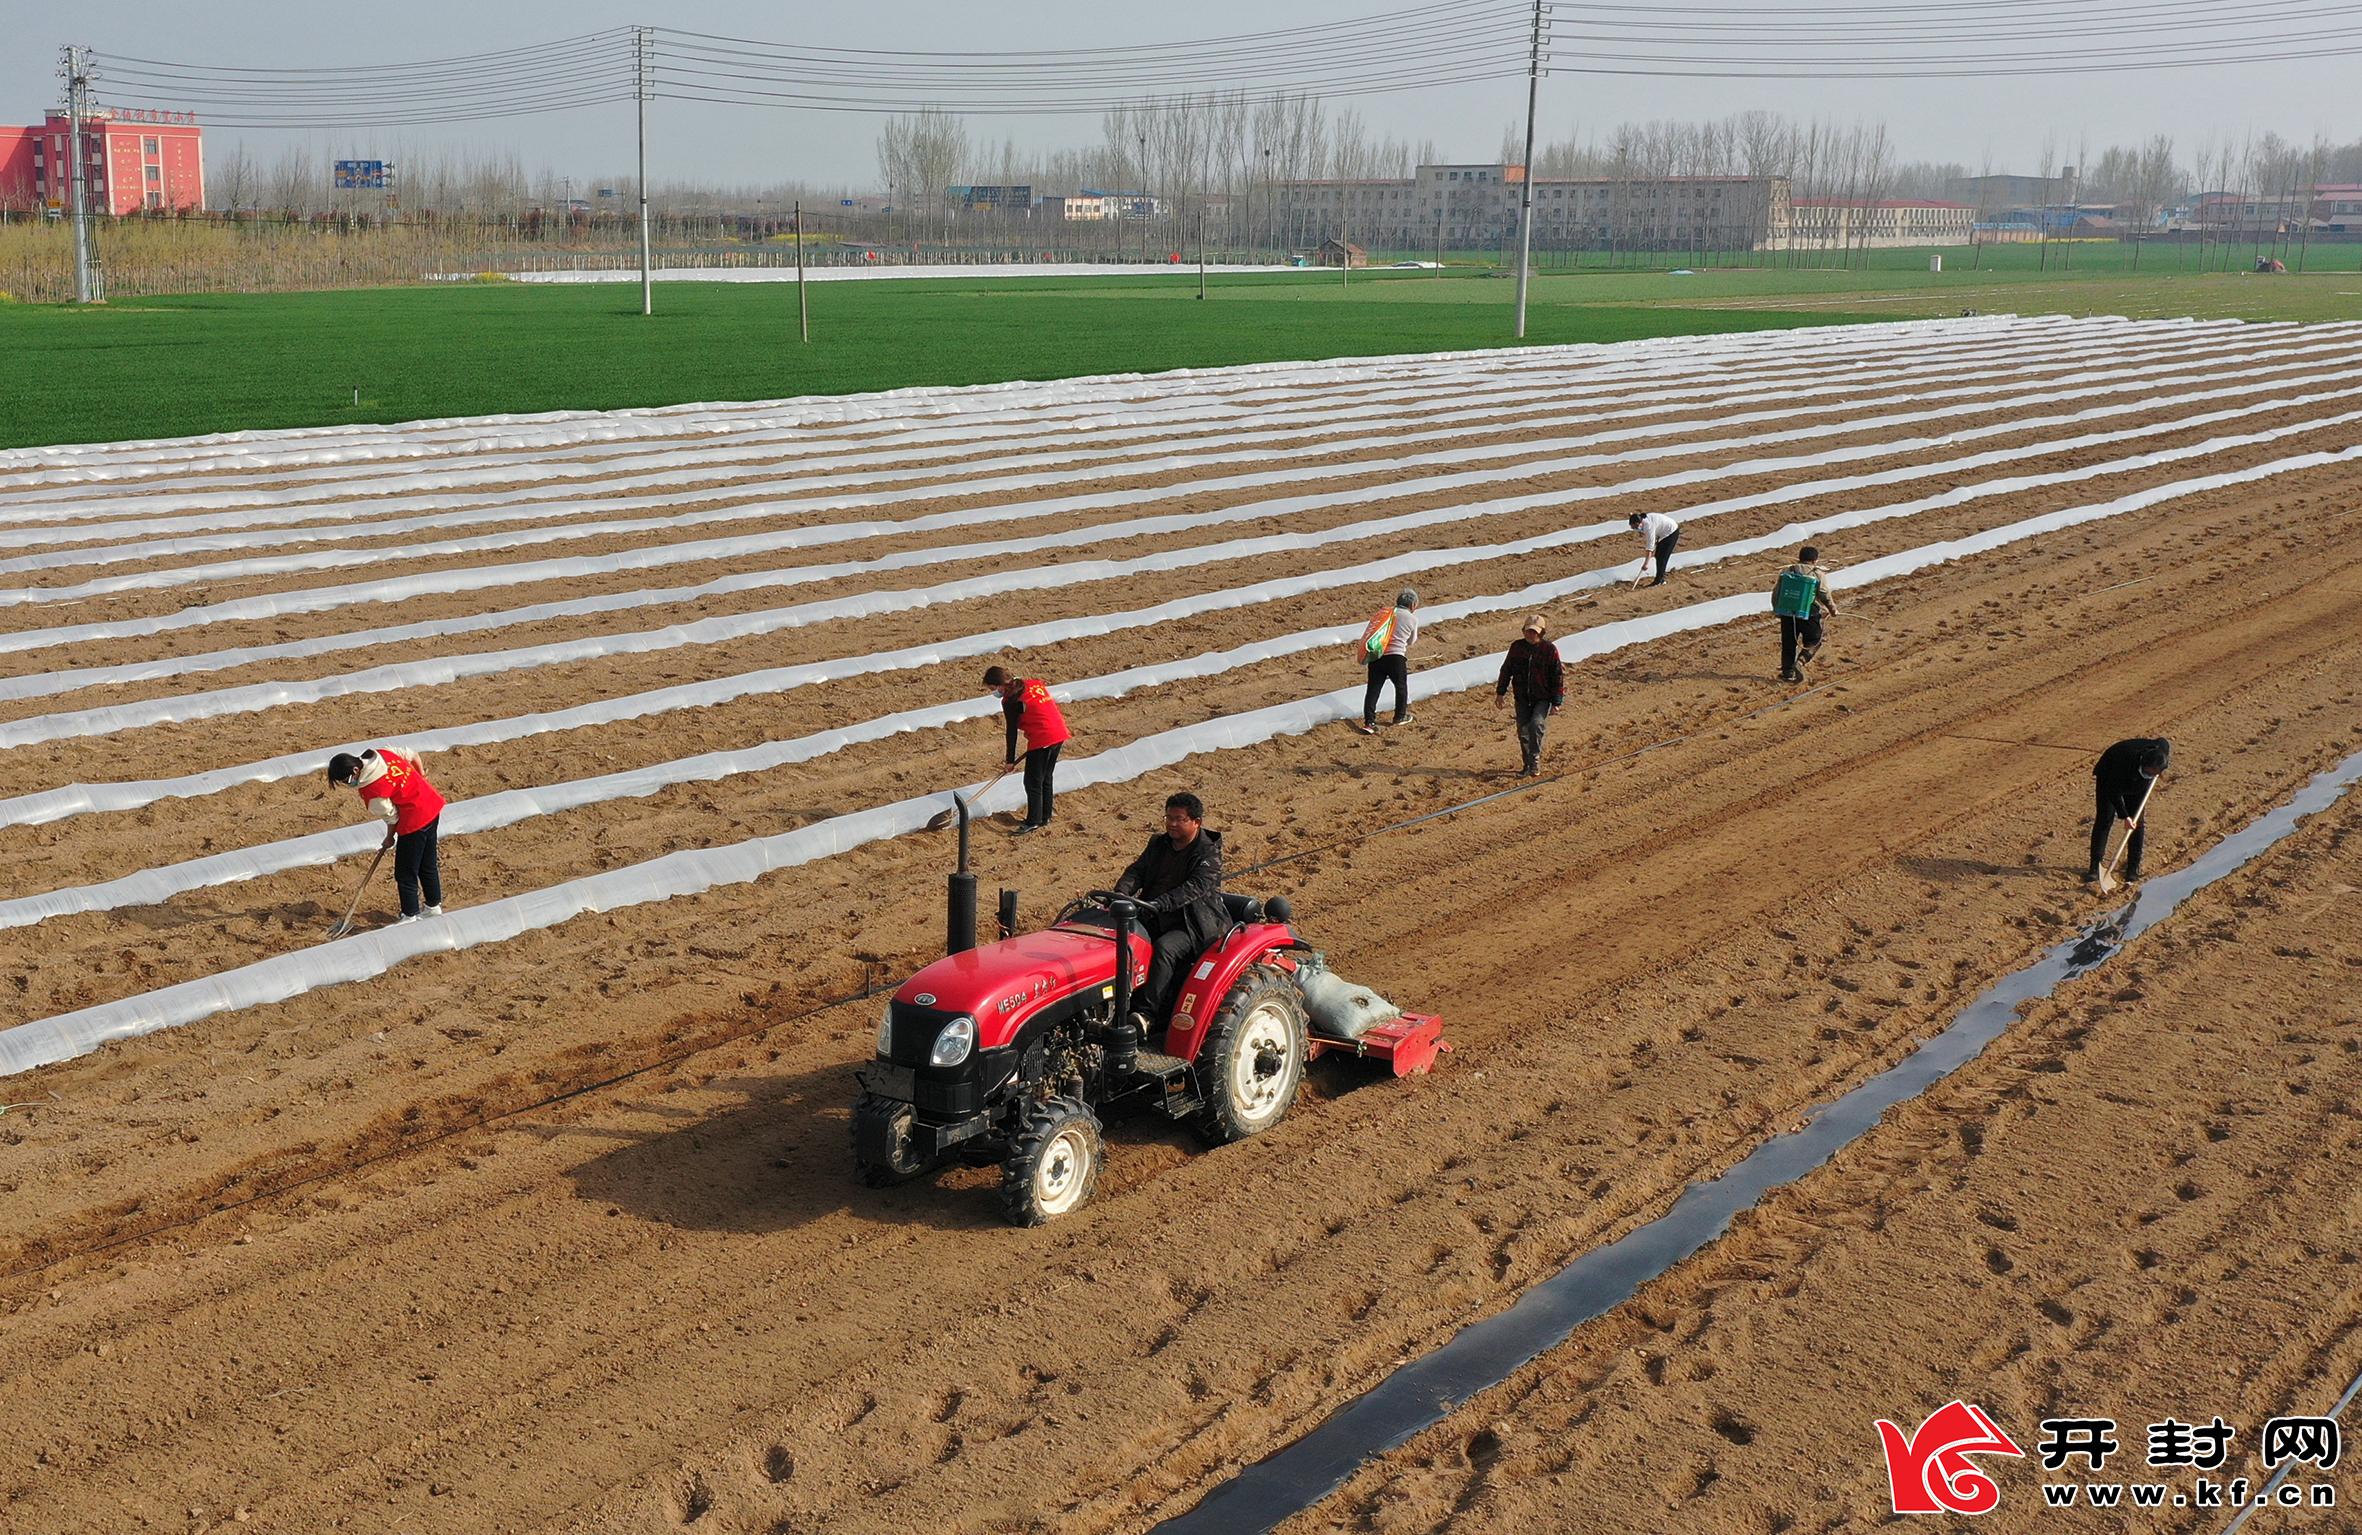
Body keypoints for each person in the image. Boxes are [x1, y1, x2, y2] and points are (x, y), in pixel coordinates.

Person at [1110, 792, 1228, 1031]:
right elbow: (1137, 871)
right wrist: (1122, 893)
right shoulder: (1158, 843)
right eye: (1169, 817)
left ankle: (1146, 1014)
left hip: (1192, 923)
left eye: (1179, 819)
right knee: (1121, 940)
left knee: (1164, 948)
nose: (1172, 824)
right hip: (1152, 913)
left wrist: (1160, 903)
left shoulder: (1208, 854)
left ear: (1197, 822)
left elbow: (1194, 888)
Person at [326, 746, 446, 924]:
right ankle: (433, 907)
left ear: (356, 769)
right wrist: (421, 775)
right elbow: (412, 754)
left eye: (346, 780)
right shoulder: (383, 754)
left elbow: (392, 817)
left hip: (415, 821)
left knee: (405, 872)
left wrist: (389, 838)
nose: (348, 784)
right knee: (426, 862)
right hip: (431, 805)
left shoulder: (372, 791)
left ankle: (410, 914)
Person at [982, 665, 1070, 835]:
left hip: (1043, 736)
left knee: (1032, 782)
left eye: (993, 688)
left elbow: (1011, 732)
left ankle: (1033, 821)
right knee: (1045, 777)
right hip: (1059, 732)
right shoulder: (1033, 684)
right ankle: (1045, 816)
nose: (994, 692)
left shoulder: (1010, 701)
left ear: (1001, 685)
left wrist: (1009, 761)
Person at [2088, 737, 2170, 885]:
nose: (2151, 774)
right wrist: (2125, 816)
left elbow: (2163, 741)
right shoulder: (2123, 763)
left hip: (2138, 786)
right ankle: (2095, 866)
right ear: (2143, 764)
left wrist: (2131, 818)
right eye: (2148, 771)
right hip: (2109, 776)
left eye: (2154, 773)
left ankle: (2133, 867)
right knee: (2105, 819)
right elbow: (2113, 792)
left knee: (2137, 822)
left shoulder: (2160, 752)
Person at [1494, 613, 1565, 777]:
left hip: (1542, 697)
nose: (1530, 634)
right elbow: (1506, 670)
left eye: (1534, 631)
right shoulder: (1517, 648)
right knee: (1523, 730)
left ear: (1541, 632)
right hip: (1522, 698)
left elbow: (1557, 676)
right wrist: (1500, 693)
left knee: (1536, 724)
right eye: (1528, 631)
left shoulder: (1549, 650)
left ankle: (1535, 759)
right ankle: (1527, 764)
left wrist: (1556, 702)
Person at [1771, 544, 1841, 683]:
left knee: (1789, 643)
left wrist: (1778, 610)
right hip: (1809, 613)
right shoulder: (1817, 573)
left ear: (1800, 558)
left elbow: (1776, 593)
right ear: (1815, 560)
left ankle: (1788, 673)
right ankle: (1801, 662)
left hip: (1788, 613)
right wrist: (1832, 609)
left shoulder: (1788, 570)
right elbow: (1824, 594)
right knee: (1815, 640)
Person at [1358, 588, 1421, 735]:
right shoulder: (1412, 619)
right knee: (1400, 687)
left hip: (1377, 656)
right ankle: (1399, 716)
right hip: (1396, 658)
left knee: (1373, 689)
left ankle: (1369, 722)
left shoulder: (1384, 614)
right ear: (1413, 605)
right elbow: (1412, 641)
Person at [1628, 510, 1681, 586]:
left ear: (1638, 523)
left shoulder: (1649, 527)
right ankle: (1660, 576)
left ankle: (1659, 581)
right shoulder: (1641, 518)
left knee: (1662, 558)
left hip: (1671, 533)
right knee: (1658, 555)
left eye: (1634, 527)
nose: (1633, 528)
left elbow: (1650, 547)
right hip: (1663, 532)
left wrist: (1646, 564)